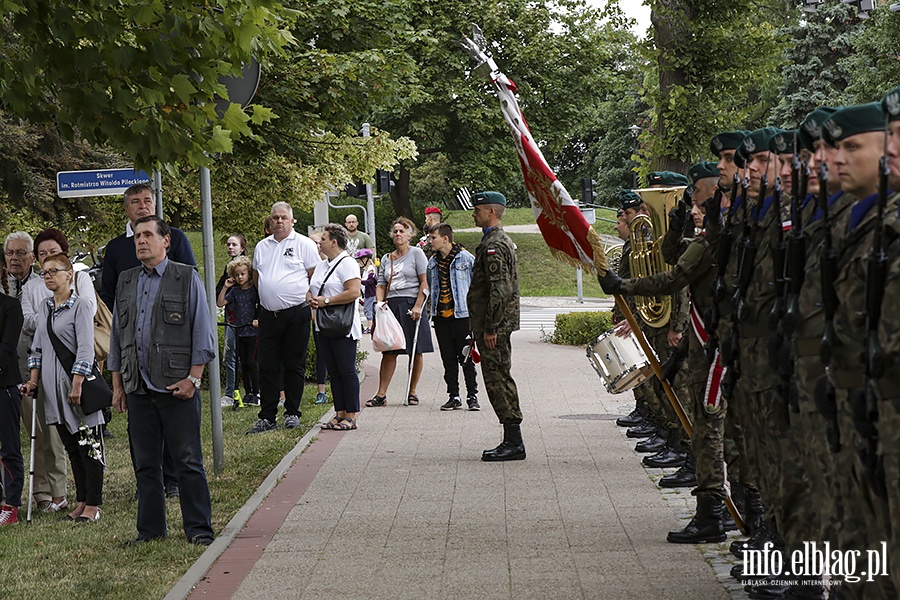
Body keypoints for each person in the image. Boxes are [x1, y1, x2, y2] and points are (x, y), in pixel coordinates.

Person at [108, 216, 216, 545]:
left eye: (148, 235)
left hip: (176, 387)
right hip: (137, 387)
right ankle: (151, 532)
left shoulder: (185, 277)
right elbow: (116, 337)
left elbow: (203, 332)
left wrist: (193, 380)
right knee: (145, 464)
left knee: (187, 461)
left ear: (165, 241)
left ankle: (199, 530)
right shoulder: (126, 281)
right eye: (137, 236)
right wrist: (118, 385)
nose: (141, 241)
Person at [98, 182, 194, 497]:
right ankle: (147, 482)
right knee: (140, 421)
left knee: (170, 414)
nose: (143, 206)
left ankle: (174, 479)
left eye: (148, 201)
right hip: (132, 344)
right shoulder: (115, 248)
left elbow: (188, 282)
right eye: (136, 202)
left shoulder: (175, 238)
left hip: (169, 343)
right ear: (127, 209)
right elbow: (109, 294)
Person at [23, 253, 104, 523]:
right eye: (44, 272)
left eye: (53, 271)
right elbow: (37, 349)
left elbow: (85, 348)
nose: (47, 276)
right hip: (54, 393)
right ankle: (81, 501)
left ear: (69, 274)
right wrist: (33, 381)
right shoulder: (44, 308)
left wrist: (78, 383)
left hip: (77, 389)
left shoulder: (80, 306)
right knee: (72, 447)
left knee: (89, 446)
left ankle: (93, 504)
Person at [5, 231, 68, 514]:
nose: (14, 258)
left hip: (36, 368)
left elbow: (44, 322)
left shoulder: (41, 282)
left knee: (43, 432)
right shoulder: (2, 284)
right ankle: (9, 494)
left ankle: (48, 493)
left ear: (32, 256)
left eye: (21, 253)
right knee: (7, 436)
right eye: (9, 253)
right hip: (6, 373)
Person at [247, 202, 320, 434]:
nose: (279, 221)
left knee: (293, 364)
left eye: (283, 218)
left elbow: (314, 276)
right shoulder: (262, 246)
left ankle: (292, 412)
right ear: (269, 221)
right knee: (267, 365)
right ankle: (267, 416)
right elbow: (257, 277)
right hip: (269, 315)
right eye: (275, 218)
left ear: (292, 220)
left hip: (296, 313)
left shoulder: (304, 244)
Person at [466, 191, 524, 461]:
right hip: (494, 325)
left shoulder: (494, 244)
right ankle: (511, 439)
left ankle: (514, 442)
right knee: (498, 377)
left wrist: (491, 327)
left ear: (490, 212)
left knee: (498, 379)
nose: (473, 214)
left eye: (477, 210)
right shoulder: (493, 240)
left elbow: (500, 289)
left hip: (495, 327)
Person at [367, 217, 432, 407]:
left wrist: (419, 305)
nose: (398, 234)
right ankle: (381, 394)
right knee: (389, 350)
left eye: (402, 231)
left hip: (412, 303)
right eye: (395, 231)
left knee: (416, 349)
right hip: (391, 305)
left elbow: (424, 282)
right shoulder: (387, 258)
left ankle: (412, 392)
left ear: (410, 235)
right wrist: (379, 304)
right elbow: (381, 283)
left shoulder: (417, 254)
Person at [306, 224, 362, 430]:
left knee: (346, 370)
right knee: (334, 371)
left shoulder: (347, 264)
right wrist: (312, 299)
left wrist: (326, 302)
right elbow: (313, 289)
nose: (319, 243)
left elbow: (354, 292)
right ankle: (339, 413)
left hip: (342, 326)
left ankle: (351, 414)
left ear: (334, 242)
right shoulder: (322, 265)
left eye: (323, 239)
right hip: (322, 325)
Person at [426, 224, 480, 411]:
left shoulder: (465, 258)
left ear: (445, 239)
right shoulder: (432, 262)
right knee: (447, 358)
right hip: (441, 317)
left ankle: (472, 396)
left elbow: (476, 286)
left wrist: (476, 314)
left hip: (462, 316)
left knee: (465, 357)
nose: (430, 241)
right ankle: (454, 395)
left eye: (433, 238)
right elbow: (431, 288)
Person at [216, 256, 260, 407]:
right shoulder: (234, 291)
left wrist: (258, 319)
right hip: (239, 331)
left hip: (253, 332)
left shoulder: (255, 290)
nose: (240, 277)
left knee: (252, 362)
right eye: (237, 275)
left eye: (243, 274)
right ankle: (247, 393)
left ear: (248, 273)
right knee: (243, 364)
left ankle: (257, 392)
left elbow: (261, 305)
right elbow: (220, 303)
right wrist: (226, 286)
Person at [0, 263, 25, 526]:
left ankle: (12, 504)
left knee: (9, 449)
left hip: (4, 387)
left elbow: (6, 350)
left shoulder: (10, 306)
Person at [215, 234, 249, 408]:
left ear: (242, 248)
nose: (230, 247)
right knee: (231, 355)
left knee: (249, 357)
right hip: (232, 318)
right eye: (228, 244)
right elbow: (219, 295)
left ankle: (251, 392)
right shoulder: (228, 271)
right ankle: (230, 393)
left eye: (234, 244)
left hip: (247, 320)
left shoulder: (247, 269)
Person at [308, 231, 330, 405]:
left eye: (318, 242)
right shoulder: (308, 265)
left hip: (333, 316)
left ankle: (328, 391)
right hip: (314, 315)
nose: (315, 245)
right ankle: (320, 391)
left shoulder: (330, 264)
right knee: (320, 353)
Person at [356, 248, 377, 333]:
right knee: (368, 309)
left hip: (371, 294)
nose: (359, 263)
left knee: (368, 310)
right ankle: (372, 326)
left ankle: (370, 327)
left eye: (360, 261)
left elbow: (370, 281)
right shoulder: (365, 271)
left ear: (365, 259)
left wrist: (359, 281)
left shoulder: (370, 269)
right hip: (367, 294)